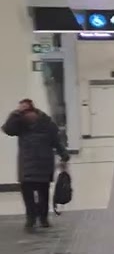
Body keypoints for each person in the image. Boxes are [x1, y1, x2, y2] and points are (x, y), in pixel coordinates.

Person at [3, 99, 69, 231]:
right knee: (42, 192)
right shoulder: (42, 122)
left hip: (28, 165)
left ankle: (32, 219)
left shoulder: (23, 123)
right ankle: (42, 219)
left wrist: (16, 113)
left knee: (30, 194)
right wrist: (64, 155)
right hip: (43, 164)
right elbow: (56, 141)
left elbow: (7, 128)